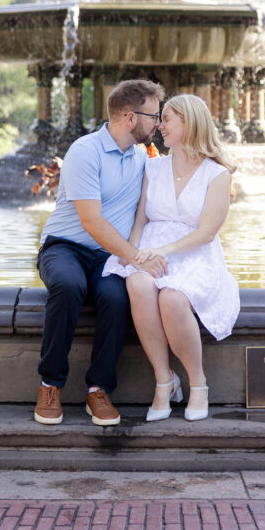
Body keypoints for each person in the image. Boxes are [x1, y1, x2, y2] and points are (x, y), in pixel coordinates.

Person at [34, 78, 166, 428]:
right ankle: (50, 384)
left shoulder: (142, 158)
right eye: (154, 115)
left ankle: (98, 389)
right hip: (65, 247)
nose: (159, 123)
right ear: (129, 117)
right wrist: (137, 258)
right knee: (68, 285)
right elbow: (91, 221)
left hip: (109, 257)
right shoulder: (85, 151)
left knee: (117, 296)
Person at [103, 94, 239, 422]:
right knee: (138, 284)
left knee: (173, 299)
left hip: (194, 254)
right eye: (160, 119)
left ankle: (198, 383)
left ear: (189, 123)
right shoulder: (153, 166)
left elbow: (207, 232)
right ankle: (164, 381)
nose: (159, 126)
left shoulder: (216, 174)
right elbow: (140, 220)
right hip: (150, 247)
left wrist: (163, 251)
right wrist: (133, 256)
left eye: (167, 119)